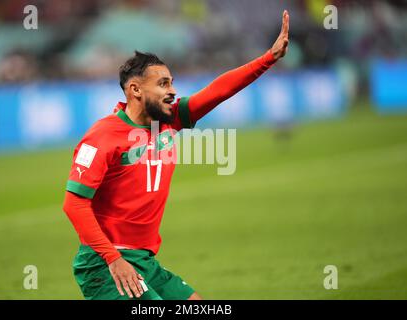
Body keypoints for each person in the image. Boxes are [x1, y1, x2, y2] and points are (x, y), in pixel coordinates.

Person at [62, 10, 290, 300]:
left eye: (171, 82)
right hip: (104, 264)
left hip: (144, 261)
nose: (172, 91)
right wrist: (112, 259)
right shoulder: (102, 137)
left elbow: (218, 91)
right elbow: (74, 204)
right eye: (163, 84)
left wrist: (268, 58)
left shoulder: (169, 119)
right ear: (135, 89)